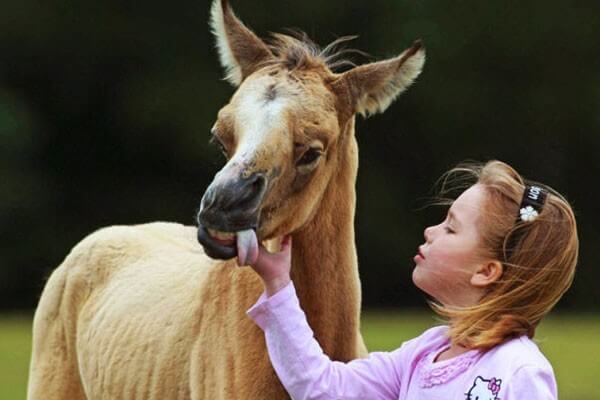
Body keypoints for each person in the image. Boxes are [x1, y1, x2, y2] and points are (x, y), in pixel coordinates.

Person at [243, 160, 578, 399]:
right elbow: (323, 387)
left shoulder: (518, 372)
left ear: (485, 272)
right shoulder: (422, 355)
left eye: (450, 227)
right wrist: (278, 282)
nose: (430, 232)